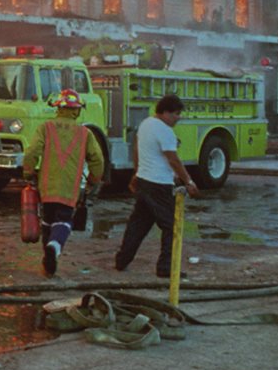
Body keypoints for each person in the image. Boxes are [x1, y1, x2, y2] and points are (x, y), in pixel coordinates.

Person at [21, 89, 105, 276]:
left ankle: (48, 261)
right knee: (64, 221)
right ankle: (54, 247)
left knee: (47, 221)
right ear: (76, 111)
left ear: (58, 107)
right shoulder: (85, 133)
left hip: (46, 186)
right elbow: (98, 160)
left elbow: (32, 152)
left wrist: (28, 172)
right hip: (69, 188)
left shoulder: (46, 127)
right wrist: (93, 180)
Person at [114, 93, 199, 277]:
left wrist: (137, 172)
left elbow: (136, 148)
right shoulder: (165, 131)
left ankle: (122, 260)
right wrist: (189, 181)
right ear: (166, 112)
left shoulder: (146, 125)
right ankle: (166, 268)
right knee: (171, 226)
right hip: (159, 185)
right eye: (176, 114)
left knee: (139, 225)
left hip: (145, 181)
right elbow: (174, 159)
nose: (179, 118)